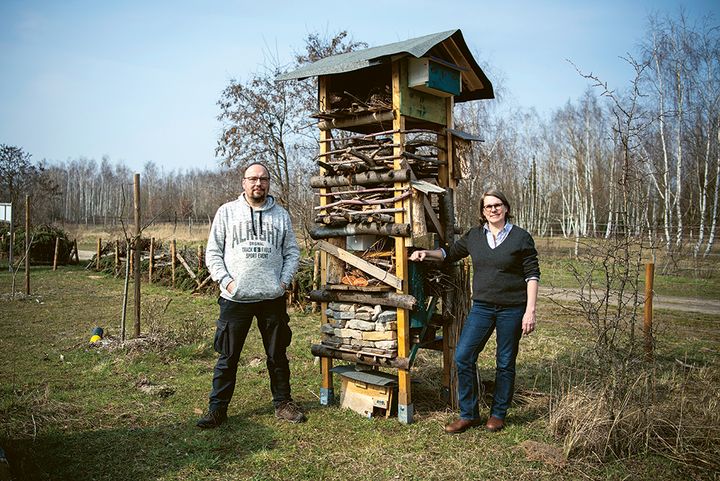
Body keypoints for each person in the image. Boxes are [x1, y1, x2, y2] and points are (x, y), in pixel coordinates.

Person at [409, 189, 539, 434]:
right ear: (482, 211)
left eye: (497, 205)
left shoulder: (521, 237)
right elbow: (449, 253)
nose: (493, 209)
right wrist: (427, 253)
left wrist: (530, 311)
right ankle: (469, 414)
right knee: (463, 356)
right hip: (482, 307)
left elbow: (532, 275)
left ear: (506, 208)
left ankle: (498, 414)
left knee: (505, 361)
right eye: (488, 206)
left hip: (512, 309)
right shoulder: (475, 236)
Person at [196, 162, 304, 428]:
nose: (259, 183)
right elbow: (213, 253)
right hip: (236, 299)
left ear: (269, 182)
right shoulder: (227, 213)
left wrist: (283, 283)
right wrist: (227, 282)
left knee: (277, 354)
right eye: (253, 179)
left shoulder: (281, 215)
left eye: (263, 179)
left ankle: (283, 404)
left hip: (272, 298)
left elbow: (292, 252)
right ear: (243, 183)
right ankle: (217, 409)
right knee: (228, 357)